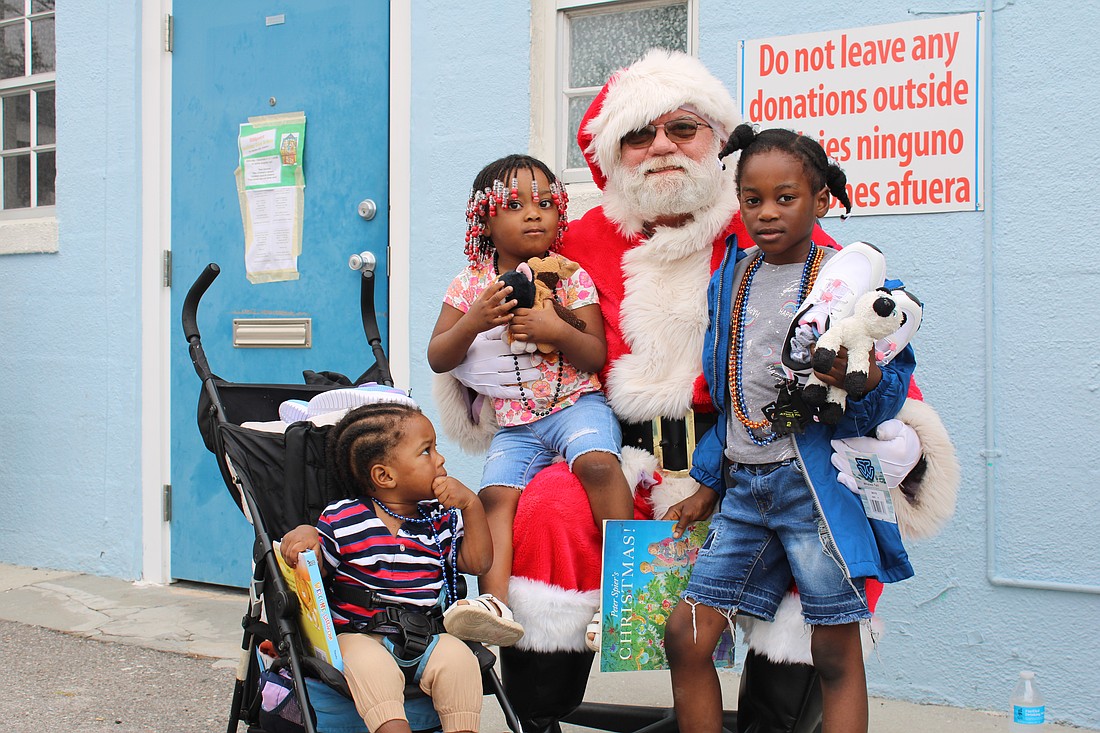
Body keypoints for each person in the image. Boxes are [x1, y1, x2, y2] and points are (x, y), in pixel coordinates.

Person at [436, 49, 959, 733]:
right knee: (547, 511)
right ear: (613, 153)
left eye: (682, 128)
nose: (660, 146)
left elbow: (864, 330)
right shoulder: (582, 239)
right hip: (616, 455)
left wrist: (903, 440)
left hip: (751, 460)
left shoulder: (774, 231)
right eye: (638, 134)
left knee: (817, 557)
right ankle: (537, 710)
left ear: (718, 141)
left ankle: (776, 716)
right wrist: (479, 371)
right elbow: (496, 302)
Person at [664, 124, 915, 733]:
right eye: (752, 199)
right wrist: (705, 480)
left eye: (786, 197)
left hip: (815, 491)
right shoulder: (734, 275)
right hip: (745, 491)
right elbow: (730, 392)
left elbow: (887, 389)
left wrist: (857, 381)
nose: (766, 213)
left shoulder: (852, 284)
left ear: (822, 199)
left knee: (832, 650)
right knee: (687, 637)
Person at [427, 154, 635, 617]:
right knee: (495, 498)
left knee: (600, 465)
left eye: (545, 202)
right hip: (516, 422)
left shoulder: (571, 276)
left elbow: (595, 354)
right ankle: (493, 608)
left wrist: (557, 331)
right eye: (515, 204)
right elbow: (439, 355)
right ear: (485, 217)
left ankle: (623, 593)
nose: (534, 212)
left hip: (576, 404)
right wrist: (474, 322)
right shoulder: (470, 286)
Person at [311, 401, 492, 733]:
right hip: (360, 633)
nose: (441, 459)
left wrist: (471, 505)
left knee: (460, 661)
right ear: (384, 475)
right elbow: (313, 573)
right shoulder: (343, 519)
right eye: (426, 451)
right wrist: (303, 535)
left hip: (428, 634)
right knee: (369, 665)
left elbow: (478, 563)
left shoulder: (438, 519)